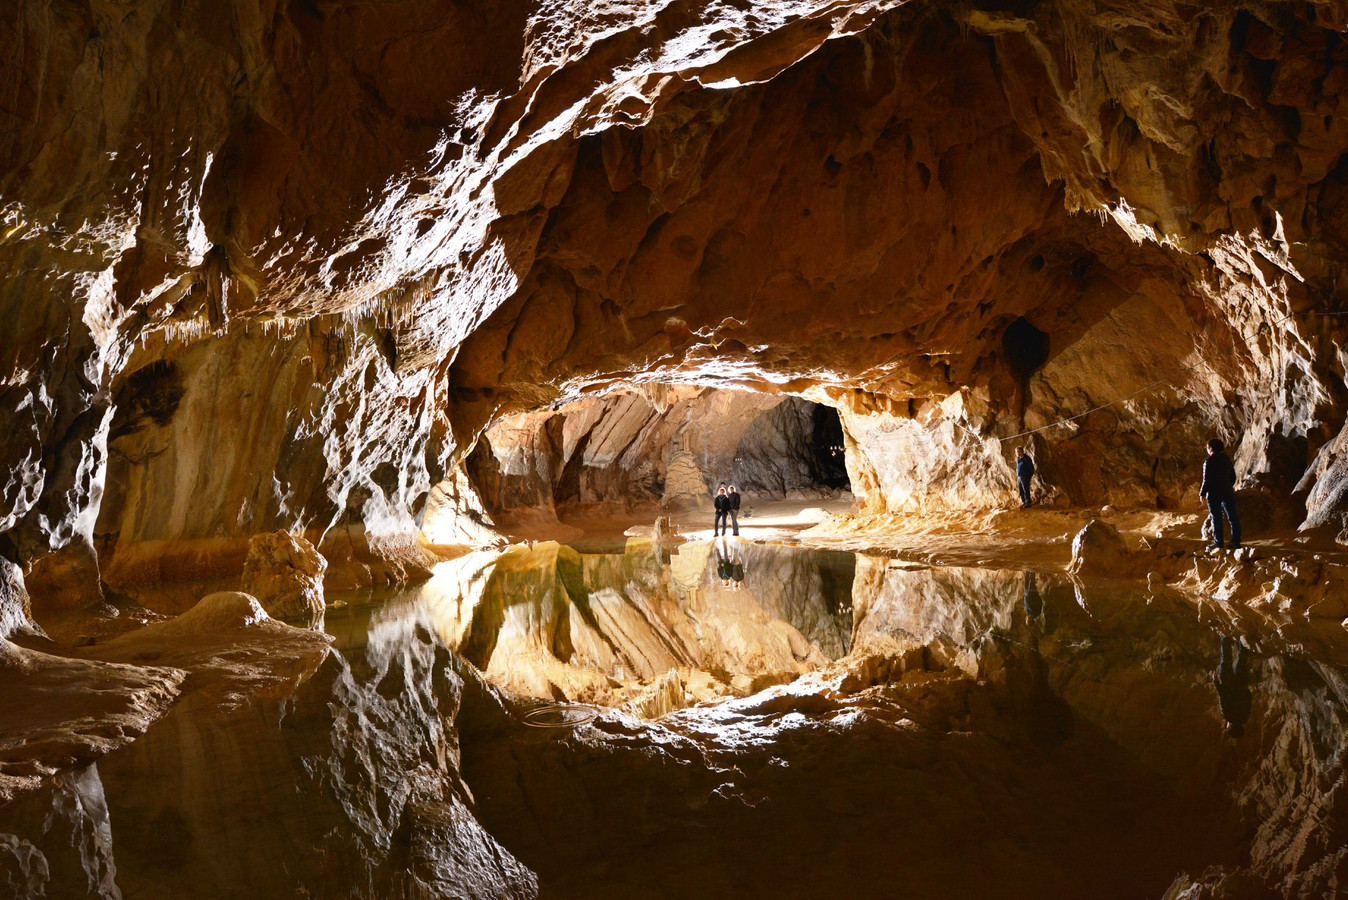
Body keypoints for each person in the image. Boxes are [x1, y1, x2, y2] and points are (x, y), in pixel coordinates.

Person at [1200, 439, 1241, 550]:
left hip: (1214, 493)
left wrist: (1202, 493)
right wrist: (1227, 485)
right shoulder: (1226, 460)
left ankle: (1219, 542)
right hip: (1227, 491)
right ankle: (1236, 541)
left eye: (1208, 448)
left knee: (1216, 517)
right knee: (1232, 516)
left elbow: (1206, 479)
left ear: (1211, 448)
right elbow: (1233, 476)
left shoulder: (1209, 461)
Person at [1214, 635, 1252, 738]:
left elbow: (1249, 698)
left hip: (1241, 684)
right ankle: (1224, 634)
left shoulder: (1245, 716)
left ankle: (1244, 635)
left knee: (1243, 659)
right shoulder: (1227, 715)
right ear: (1230, 727)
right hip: (1228, 682)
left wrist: (1244, 689)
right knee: (1226, 658)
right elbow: (1223, 697)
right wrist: (1216, 682)